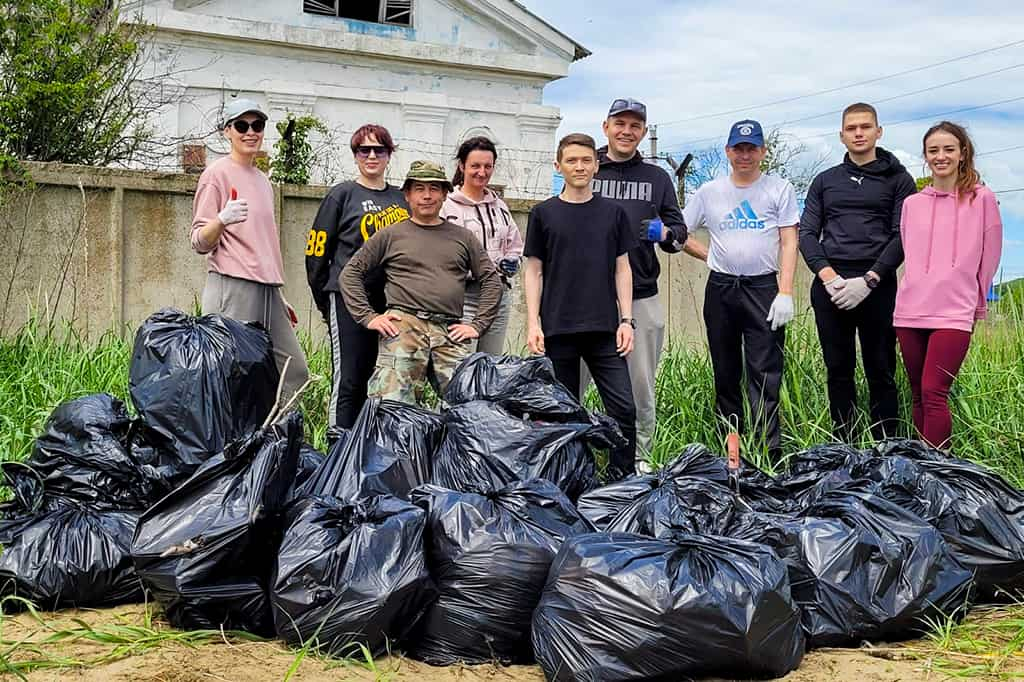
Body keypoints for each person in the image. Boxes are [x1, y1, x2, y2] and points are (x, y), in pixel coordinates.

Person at [799, 103, 917, 442]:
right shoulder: (825, 181)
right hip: (831, 285)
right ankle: (844, 444)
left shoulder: (899, 179)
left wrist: (871, 279)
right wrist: (828, 276)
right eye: (852, 128)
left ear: (879, 132)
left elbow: (903, 235)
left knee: (881, 369)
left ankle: (887, 445)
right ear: (842, 136)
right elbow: (808, 233)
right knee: (838, 370)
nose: (859, 133)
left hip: (877, 285)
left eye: (866, 127)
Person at [524, 133, 638, 481]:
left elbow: (623, 268)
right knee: (562, 413)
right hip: (558, 330)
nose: (579, 166)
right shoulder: (543, 214)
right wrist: (533, 323)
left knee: (623, 408)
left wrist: (627, 320)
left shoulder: (613, 213)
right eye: (571, 160)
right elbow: (533, 271)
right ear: (559, 166)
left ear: (596, 165)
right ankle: (567, 480)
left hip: (605, 329)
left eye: (586, 160)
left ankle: (621, 483)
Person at [340, 160, 502, 406]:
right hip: (403, 326)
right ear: (407, 194)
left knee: (469, 403)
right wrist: (369, 317)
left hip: (449, 330)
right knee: (391, 407)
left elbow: (491, 279)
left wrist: (478, 325)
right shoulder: (391, 234)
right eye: (419, 188)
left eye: (434, 188)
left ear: (445, 194)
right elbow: (350, 274)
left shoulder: (463, 237)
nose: (427, 196)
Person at [682, 120, 799, 456]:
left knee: (764, 372)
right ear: (728, 151)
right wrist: (710, 256)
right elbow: (681, 231)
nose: (744, 155)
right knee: (726, 369)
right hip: (721, 289)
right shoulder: (709, 192)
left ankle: (766, 451)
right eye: (738, 148)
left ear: (763, 151)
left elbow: (789, 240)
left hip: (763, 288)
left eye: (751, 148)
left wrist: (786, 291)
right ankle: (729, 448)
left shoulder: (779, 189)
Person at [587, 97, 688, 470]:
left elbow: (679, 233)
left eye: (635, 126)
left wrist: (666, 233)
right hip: (587, 296)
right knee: (572, 383)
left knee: (640, 385)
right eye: (620, 124)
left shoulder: (657, 178)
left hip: (642, 294)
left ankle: (639, 457)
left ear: (643, 132)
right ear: (606, 127)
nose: (627, 131)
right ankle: (573, 453)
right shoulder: (588, 168)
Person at [191, 98, 309, 402]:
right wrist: (221, 220)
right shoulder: (216, 175)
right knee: (229, 375)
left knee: (293, 372)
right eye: (241, 125)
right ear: (227, 131)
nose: (250, 132)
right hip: (232, 286)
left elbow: (263, 242)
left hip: (268, 291)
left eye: (257, 125)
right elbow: (199, 241)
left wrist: (279, 296)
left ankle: (276, 443)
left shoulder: (263, 181)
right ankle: (227, 447)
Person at [893, 121, 1002, 449]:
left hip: (954, 311)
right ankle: (921, 474)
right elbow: (909, 254)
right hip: (910, 312)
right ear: (926, 156)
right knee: (916, 394)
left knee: (934, 391)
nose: (941, 156)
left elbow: (990, 256)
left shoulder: (982, 199)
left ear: (962, 153)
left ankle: (940, 472)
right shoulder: (913, 204)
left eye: (948, 149)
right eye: (933, 150)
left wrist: (978, 303)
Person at [305, 124, 409, 433]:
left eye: (380, 149)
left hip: (390, 302)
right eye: (365, 150)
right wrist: (327, 300)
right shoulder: (342, 195)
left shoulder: (400, 198)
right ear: (355, 155)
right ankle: (338, 451)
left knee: (380, 380)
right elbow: (316, 253)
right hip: (348, 297)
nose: (372, 156)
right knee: (349, 377)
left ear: (390, 154)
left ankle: (366, 448)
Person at [440, 136, 524, 356]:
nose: (482, 172)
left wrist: (514, 262)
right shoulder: (446, 206)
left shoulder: (501, 207)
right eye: (475, 166)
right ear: (462, 166)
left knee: (490, 367)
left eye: (488, 166)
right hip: (463, 297)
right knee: (462, 367)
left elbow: (516, 245)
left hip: (499, 296)